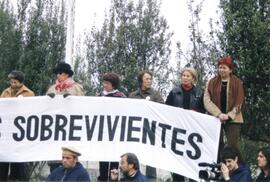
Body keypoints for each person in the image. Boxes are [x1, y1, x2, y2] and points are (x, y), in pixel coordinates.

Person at [165, 67, 204, 181]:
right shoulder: (174, 91)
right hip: (177, 131)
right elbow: (167, 108)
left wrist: (195, 113)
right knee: (178, 160)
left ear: (193, 78)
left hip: (192, 132)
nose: (185, 78)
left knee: (192, 160)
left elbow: (203, 110)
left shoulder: (199, 93)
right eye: (183, 75)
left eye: (188, 76)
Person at [203, 56, 245, 161]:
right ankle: (219, 169)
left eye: (224, 68)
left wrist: (229, 115)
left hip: (234, 118)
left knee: (233, 145)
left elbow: (240, 101)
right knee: (217, 144)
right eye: (220, 67)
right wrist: (218, 114)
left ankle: (239, 169)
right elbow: (207, 101)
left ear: (230, 70)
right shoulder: (211, 82)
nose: (221, 70)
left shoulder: (237, 82)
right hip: (216, 118)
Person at [46, 62, 84, 171]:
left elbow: (82, 105)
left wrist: (72, 100)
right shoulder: (52, 88)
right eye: (57, 73)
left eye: (60, 72)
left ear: (67, 74)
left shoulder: (76, 88)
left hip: (70, 128)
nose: (57, 75)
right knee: (54, 165)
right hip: (54, 129)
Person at [129, 70, 164, 180]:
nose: (149, 81)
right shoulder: (133, 95)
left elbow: (162, 109)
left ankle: (151, 179)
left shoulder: (156, 94)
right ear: (141, 81)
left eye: (150, 79)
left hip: (151, 130)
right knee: (135, 156)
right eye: (147, 79)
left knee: (151, 156)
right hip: (136, 130)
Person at [0, 70, 34, 181]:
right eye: (11, 82)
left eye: (15, 82)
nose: (12, 84)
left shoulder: (29, 94)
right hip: (7, 133)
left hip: (21, 135)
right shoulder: (5, 93)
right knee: (3, 163)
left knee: (18, 166)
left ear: (21, 82)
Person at [97, 72, 126, 181]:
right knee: (103, 162)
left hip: (115, 134)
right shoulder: (99, 96)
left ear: (113, 84)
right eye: (104, 83)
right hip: (103, 133)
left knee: (114, 162)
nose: (105, 85)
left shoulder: (121, 97)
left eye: (107, 83)